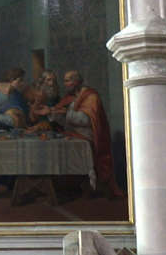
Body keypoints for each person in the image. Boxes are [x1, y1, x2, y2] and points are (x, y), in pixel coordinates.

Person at [51, 70, 123, 198]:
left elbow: (86, 120)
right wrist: (53, 113)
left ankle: (88, 187)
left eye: (68, 80)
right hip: (73, 134)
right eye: (64, 81)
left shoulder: (91, 96)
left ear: (76, 81)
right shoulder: (70, 98)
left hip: (90, 136)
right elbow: (65, 120)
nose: (65, 84)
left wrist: (66, 113)